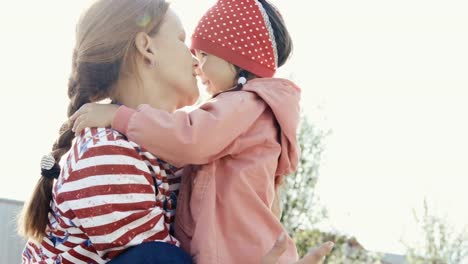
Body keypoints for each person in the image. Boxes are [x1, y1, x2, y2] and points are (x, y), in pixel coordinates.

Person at [70, 0, 308, 263]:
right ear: (147, 48)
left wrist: (120, 116)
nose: (196, 64)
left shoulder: (241, 105)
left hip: (238, 250)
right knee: (159, 257)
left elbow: (190, 138)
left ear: (235, 60)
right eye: (185, 43)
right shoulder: (107, 156)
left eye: (203, 54)